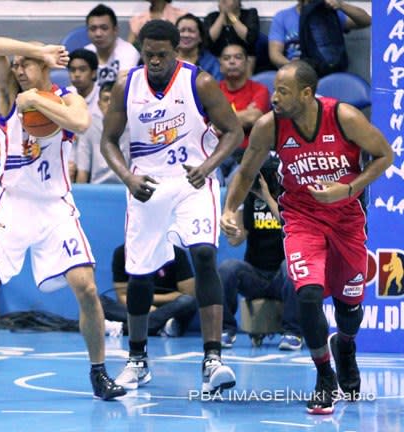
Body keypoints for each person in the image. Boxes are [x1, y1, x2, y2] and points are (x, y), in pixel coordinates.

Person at [0, 36, 126, 403]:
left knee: (85, 286)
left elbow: (82, 123)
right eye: (18, 62)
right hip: (12, 202)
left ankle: (100, 373)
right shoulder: (7, 92)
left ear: (45, 69)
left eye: (26, 63)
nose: (18, 68)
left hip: (54, 205)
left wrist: (37, 99)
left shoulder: (65, 96)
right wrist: (37, 51)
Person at [221, 60, 393, 414]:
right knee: (308, 293)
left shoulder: (344, 117)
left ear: (307, 93)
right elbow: (245, 171)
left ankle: (345, 348)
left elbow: (384, 155)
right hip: (302, 219)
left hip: (346, 220)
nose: (275, 98)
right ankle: (323, 375)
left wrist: (348, 188)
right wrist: (228, 210)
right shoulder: (270, 126)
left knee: (349, 309)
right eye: (275, 90)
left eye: (283, 91)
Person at [101, 20, 243, 393]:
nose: (155, 61)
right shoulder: (125, 86)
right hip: (146, 186)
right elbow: (108, 142)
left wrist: (208, 167)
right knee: (141, 272)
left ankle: (213, 360)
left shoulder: (200, 83)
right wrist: (127, 178)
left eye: (163, 55)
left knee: (204, 255)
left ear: (177, 51)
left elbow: (234, 131)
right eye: (149, 55)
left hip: (193, 181)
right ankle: (137, 360)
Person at [219, 156, 302, 350]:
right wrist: (233, 219)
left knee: (291, 266)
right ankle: (226, 330)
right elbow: (236, 239)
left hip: (282, 278)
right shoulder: (250, 199)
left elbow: (287, 225)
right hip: (256, 275)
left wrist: (267, 197)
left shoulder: (290, 198)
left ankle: (293, 333)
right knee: (227, 268)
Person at [101, 244, 197, 338]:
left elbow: (188, 294)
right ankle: (160, 327)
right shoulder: (122, 252)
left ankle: (122, 328)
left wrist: (149, 303)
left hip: (168, 309)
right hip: (135, 308)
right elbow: (122, 296)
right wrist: (146, 308)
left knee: (188, 301)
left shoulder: (176, 253)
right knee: (99, 301)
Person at [217, 43, 270, 184]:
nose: (232, 61)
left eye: (238, 57)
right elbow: (209, 124)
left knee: (234, 183)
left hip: (249, 152)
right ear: (220, 65)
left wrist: (221, 120)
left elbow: (254, 118)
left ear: (247, 63)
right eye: (227, 58)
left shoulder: (260, 90)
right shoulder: (213, 91)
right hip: (218, 152)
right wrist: (245, 114)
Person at [268, 0, 371, 69]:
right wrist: (293, 66)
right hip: (297, 73)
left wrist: (341, 5)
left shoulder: (329, 14)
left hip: (328, 69)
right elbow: (275, 54)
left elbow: (366, 20)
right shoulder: (282, 17)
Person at [75, 81, 129, 184]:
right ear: (99, 104)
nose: (109, 104)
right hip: (97, 187)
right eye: (106, 99)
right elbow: (83, 171)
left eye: (113, 100)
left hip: (127, 187)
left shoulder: (132, 127)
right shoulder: (89, 126)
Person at [85, 4, 140, 87]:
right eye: (93, 29)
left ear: (115, 30)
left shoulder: (129, 52)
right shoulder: (86, 52)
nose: (98, 34)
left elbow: (123, 87)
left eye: (104, 28)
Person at [204, 0, 259, 76]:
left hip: (244, 59)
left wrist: (230, 14)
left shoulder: (250, 14)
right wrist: (222, 14)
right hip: (218, 61)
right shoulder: (212, 17)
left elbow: (250, 38)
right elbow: (208, 40)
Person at [175, 14, 222, 80]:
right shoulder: (168, 59)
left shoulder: (211, 62)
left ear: (200, 37)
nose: (186, 35)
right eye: (182, 31)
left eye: (191, 31)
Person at [67, 49, 100, 118]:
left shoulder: (103, 97)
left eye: (82, 70)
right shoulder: (66, 95)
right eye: (72, 70)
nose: (77, 74)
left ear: (93, 73)